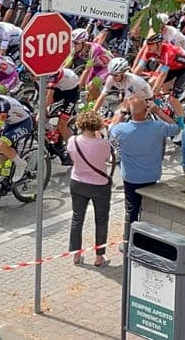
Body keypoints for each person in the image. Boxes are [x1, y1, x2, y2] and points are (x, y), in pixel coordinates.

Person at [109, 97, 179, 224]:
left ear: (131, 112)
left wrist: (122, 112)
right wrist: (158, 111)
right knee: (149, 210)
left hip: (131, 178)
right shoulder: (158, 126)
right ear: (147, 110)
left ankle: (129, 236)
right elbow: (175, 127)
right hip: (151, 176)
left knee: (132, 210)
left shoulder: (121, 129)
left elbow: (110, 131)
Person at [66, 110, 112, 267]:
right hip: (99, 185)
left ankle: (76, 255)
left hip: (77, 182)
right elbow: (107, 159)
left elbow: (72, 157)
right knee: (101, 220)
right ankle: (99, 257)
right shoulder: (104, 144)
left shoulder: (73, 141)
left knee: (77, 218)